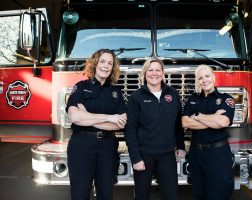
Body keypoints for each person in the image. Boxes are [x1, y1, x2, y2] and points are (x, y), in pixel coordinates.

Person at [66, 49, 127, 200]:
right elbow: (74, 116)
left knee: (106, 195)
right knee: (80, 194)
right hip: (81, 145)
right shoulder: (80, 87)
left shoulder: (116, 92)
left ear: (113, 68)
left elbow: (120, 124)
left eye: (110, 63)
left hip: (108, 146)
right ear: (95, 64)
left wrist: (87, 117)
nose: (106, 66)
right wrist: (110, 118)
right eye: (102, 61)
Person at [125, 58, 186, 200]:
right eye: (150, 70)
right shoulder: (136, 97)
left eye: (158, 70)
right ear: (145, 74)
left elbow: (178, 123)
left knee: (171, 196)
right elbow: (130, 129)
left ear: (163, 74)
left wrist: (181, 145)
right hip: (144, 156)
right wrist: (136, 158)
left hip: (167, 156)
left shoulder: (173, 93)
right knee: (142, 196)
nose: (154, 73)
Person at [182, 64, 235, 200]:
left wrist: (199, 116)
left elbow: (223, 122)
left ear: (213, 77)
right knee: (198, 194)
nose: (204, 80)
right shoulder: (192, 99)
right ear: (197, 81)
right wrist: (213, 120)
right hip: (196, 154)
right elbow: (185, 122)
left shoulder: (226, 98)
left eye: (207, 76)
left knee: (219, 194)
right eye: (200, 78)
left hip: (218, 154)